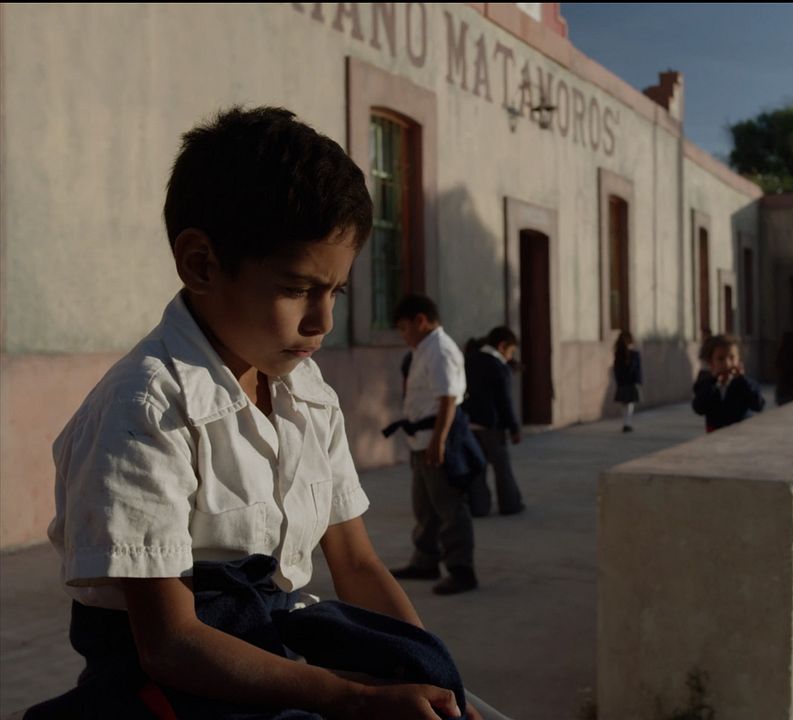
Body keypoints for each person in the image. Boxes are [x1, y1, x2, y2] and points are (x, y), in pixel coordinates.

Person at [32, 107, 488, 720]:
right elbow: (169, 643)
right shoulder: (144, 409)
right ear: (201, 263)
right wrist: (351, 698)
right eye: (298, 288)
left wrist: (426, 672)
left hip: (279, 642)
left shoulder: (306, 391)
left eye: (337, 292)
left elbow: (354, 561)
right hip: (176, 684)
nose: (322, 322)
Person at [388, 294, 480, 596]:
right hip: (422, 441)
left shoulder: (440, 349)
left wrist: (439, 442)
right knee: (424, 506)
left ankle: (461, 570)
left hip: (438, 440)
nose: (404, 336)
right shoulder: (423, 349)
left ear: (421, 321)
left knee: (450, 506)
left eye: (404, 328)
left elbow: (447, 399)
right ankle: (425, 561)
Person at [463, 326, 526, 517]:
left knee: (477, 468)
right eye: (511, 351)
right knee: (502, 467)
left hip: (469, 423)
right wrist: (514, 428)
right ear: (502, 346)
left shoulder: (469, 360)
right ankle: (510, 504)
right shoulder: (499, 367)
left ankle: (479, 506)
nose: (510, 356)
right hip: (491, 425)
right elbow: (504, 402)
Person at [692, 334, 765, 432]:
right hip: (714, 437)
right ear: (711, 362)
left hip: (741, 436)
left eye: (731, 358)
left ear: (739, 359)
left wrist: (741, 380)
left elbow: (758, 405)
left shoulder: (744, 383)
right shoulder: (706, 382)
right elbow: (699, 408)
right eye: (720, 359)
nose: (727, 363)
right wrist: (713, 382)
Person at [612, 330, 643, 432]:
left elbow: (616, 369)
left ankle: (626, 423)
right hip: (631, 382)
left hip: (622, 382)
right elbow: (637, 369)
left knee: (624, 404)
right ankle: (627, 423)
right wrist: (639, 381)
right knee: (629, 404)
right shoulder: (634, 354)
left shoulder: (618, 354)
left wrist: (618, 380)